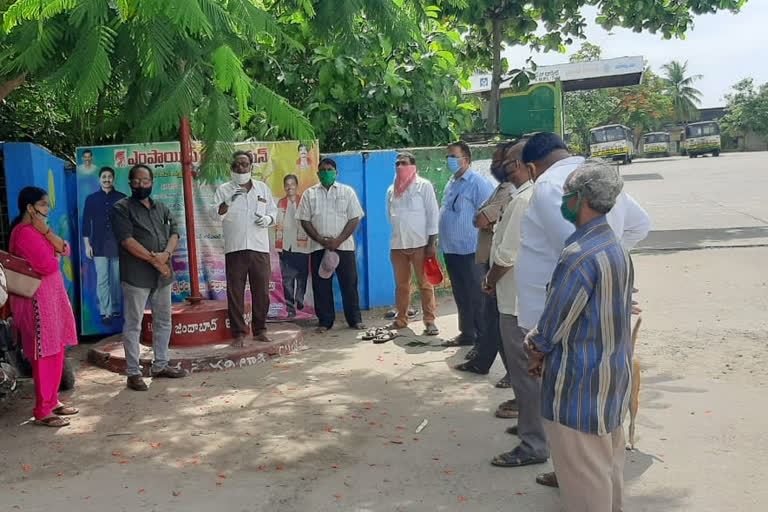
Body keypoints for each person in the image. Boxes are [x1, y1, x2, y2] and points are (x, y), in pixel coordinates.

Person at [515, 132, 650, 488]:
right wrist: (611, 264)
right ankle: (582, 470)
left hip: (561, 312)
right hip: (589, 308)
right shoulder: (596, 177)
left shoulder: (548, 187)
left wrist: (538, 347)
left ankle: (575, 473)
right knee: (599, 403)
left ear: (531, 166)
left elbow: (573, 251)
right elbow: (640, 224)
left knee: (569, 405)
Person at [481, 140, 549, 467]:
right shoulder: (526, 196)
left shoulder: (524, 200)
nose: (505, 167)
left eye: (509, 162)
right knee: (527, 374)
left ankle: (534, 443)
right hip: (520, 295)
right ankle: (531, 427)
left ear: (523, 164)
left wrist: (490, 280)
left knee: (524, 374)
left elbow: (507, 255)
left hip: (515, 300)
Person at [111, 164, 186, 391]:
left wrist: (166, 255)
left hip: (162, 278)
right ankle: (133, 372)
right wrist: (157, 262)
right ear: (130, 183)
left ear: (152, 183)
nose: (141, 185)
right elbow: (127, 241)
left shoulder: (161, 208)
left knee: (164, 320)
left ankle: (160, 364)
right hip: (137, 275)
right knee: (133, 324)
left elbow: (175, 233)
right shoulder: (121, 208)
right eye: (137, 181)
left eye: (146, 181)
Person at [8, 187, 78, 427]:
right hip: (36, 303)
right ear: (30, 208)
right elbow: (48, 266)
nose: (48, 209)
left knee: (56, 350)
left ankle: (52, 401)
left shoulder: (39, 230)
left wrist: (48, 233)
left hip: (51, 300)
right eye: (44, 205)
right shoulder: (24, 233)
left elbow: (66, 249)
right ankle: (42, 410)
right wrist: (55, 248)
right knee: (45, 354)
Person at [455, 142, 515, 379]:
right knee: (491, 316)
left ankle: (514, 373)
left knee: (504, 321)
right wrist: (485, 216)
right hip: (491, 257)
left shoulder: (513, 192)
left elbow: (482, 218)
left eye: (499, 160)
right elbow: (480, 215)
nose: (494, 165)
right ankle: (482, 361)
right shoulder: (501, 188)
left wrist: (485, 216)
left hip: (503, 263)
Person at [211, 151, 278, 345]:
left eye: (244, 164)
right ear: (231, 168)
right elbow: (215, 214)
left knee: (262, 292)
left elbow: (273, 212)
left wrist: (268, 219)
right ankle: (239, 333)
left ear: (251, 167)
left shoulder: (262, 188)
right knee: (235, 292)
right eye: (237, 165)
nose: (241, 168)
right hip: (235, 248)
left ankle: (260, 329)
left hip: (259, 248)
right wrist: (229, 201)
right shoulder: (224, 189)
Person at [297, 158, 366, 333]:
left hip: (344, 247)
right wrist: (320, 239)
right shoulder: (309, 194)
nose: (326, 172)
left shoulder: (347, 192)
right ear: (318, 173)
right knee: (321, 286)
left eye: (330, 169)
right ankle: (325, 322)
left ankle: (355, 320)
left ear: (336, 172)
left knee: (349, 284)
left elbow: (354, 218)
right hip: (319, 247)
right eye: (323, 170)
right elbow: (304, 220)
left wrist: (338, 240)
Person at [438, 141, 495, 348]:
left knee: (477, 296)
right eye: (448, 157)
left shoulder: (478, 183)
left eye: (453, 156)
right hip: (452, 249)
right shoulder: (451, 183)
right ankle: (467, 334)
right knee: (461, 294)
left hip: (471, 250)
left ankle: (482, 341)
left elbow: (492, 212)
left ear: (466, 160)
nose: (449, 161)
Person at [385, 152, 440, 335]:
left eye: (404, 163)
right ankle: (401, 319)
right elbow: (389, 216)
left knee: (425, 284)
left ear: (413, 166)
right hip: (398, 244)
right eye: (397, 164)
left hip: (420, 244)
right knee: (402, 285)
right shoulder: (391, 190)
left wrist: (431, 243)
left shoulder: (423, 186)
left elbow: (433, 214)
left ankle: (430, 321)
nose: (400, 167)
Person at [82, 166, 127, 324]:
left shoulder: (122, 198)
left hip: (117, 244)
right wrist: (87, 245)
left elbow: (127, 223)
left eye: (109, 177)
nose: (107, 179)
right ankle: (105, 312)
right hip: (98, 244)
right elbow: (86, 223)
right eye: (104, 177)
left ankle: (115, 309)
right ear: (99, 179)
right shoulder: (91, 199)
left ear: (113, 179)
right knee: (102, 279)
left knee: (116, 279)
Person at [276, 174, 311, 318]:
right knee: (287, 279)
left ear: (297, 186)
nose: (289, 187)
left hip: (301, 246)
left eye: (292, 184)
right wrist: (278, 246)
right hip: (286, 247)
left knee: (301, 276)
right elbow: (277, 225)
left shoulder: (303, 201)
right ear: (284, 187)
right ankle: (290, 308)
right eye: (287, 184)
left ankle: (300, 298)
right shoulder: (281, 203)